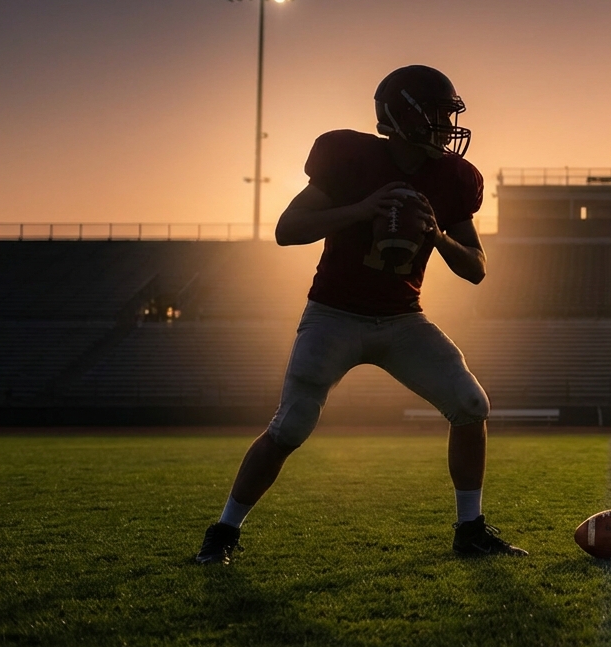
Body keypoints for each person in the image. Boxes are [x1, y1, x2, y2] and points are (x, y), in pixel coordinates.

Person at [195, 64, 526, 564]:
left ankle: (470, 529)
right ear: (403, 116)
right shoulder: (350, 158)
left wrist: (436, 234)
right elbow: (288, 229)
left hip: (402, 319)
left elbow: (477, 267)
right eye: (436, 113)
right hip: (334, 314)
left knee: (470, 404)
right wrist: (363, 208)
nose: (446, 124)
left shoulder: (453, 178)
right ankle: (223, 532)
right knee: (290, 427)